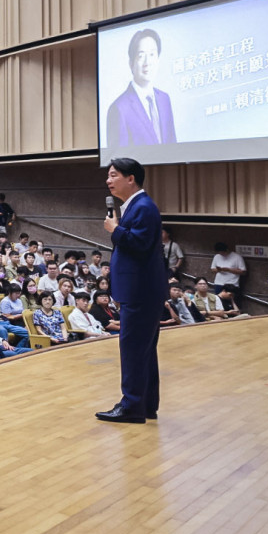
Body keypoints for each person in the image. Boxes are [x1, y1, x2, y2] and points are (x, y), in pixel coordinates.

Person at [98, 157, 167, 424]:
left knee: (133, 350)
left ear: (131, 178)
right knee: (144, 351)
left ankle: (131, 407)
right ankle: (146, 405)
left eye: (114, 175)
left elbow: (138, 243)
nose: (108, 180)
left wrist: (115, 230)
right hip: (142, 291)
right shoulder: (135, 206)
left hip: (140, 292)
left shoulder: (144, 207)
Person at [105, 29, 177, 148]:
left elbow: (174, 146)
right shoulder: (119, 108)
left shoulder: (164, 99)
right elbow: (119, 159)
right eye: (141, 56)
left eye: (152, 55)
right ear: (131, 63)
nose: (147, 62)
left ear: (158, 60)